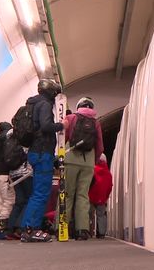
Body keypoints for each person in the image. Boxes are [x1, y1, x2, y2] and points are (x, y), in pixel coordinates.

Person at [20, 79, 66, 243]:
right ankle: (30, 229)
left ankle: (29, 228)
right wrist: (61, 125)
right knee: (40, 193)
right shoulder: (45, 104)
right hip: (42, 152)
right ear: (52, 92)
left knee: (38, 193)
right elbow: (46, 126)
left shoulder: (33, 104)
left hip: (36, 152)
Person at [64, 97, 104, 240]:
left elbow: (64, 138)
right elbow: (100, 146)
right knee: (83, 196)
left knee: (67, 194)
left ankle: (62, 228)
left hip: (70, 159)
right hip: (88, 162)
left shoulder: (70, 118)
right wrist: (93, 160)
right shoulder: (95, 122)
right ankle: (82, 230)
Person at [89, 153, 113, 238]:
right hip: (101, 198)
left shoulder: (92, 170)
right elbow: (110, 187)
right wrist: (105, 197)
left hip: (91, 197)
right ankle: (102, 233)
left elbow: (89, 183)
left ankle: (88, 231)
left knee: (89, 215)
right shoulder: (109, 174)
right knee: (101, 215)